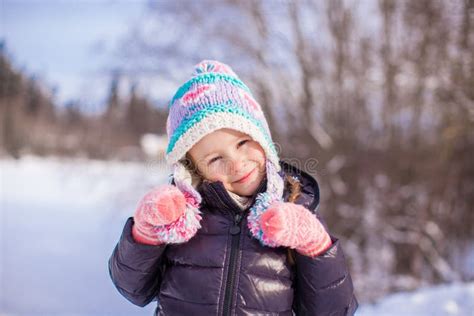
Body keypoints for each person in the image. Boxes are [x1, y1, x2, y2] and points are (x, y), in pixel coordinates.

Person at [108, 60, 358, 315]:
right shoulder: (180, 215)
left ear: (262, 139)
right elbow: (134, 290)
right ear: (193, 168)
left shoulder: (294, 207)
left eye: (242, 143)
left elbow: (336, 310)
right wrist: (146, 234)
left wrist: (314, 243)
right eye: (216, 159)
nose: (236, 164)